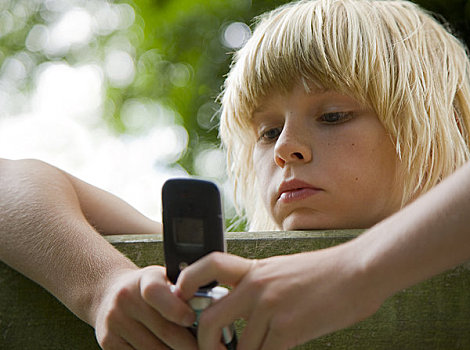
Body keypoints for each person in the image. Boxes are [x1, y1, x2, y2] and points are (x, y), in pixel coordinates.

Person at [0, 0, 469, 349]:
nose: (285, 148)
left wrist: (355, 270)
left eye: (332, 116)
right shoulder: (220, 279)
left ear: (439, 127)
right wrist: (102, 284)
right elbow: (11, 182)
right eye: (267, 132)